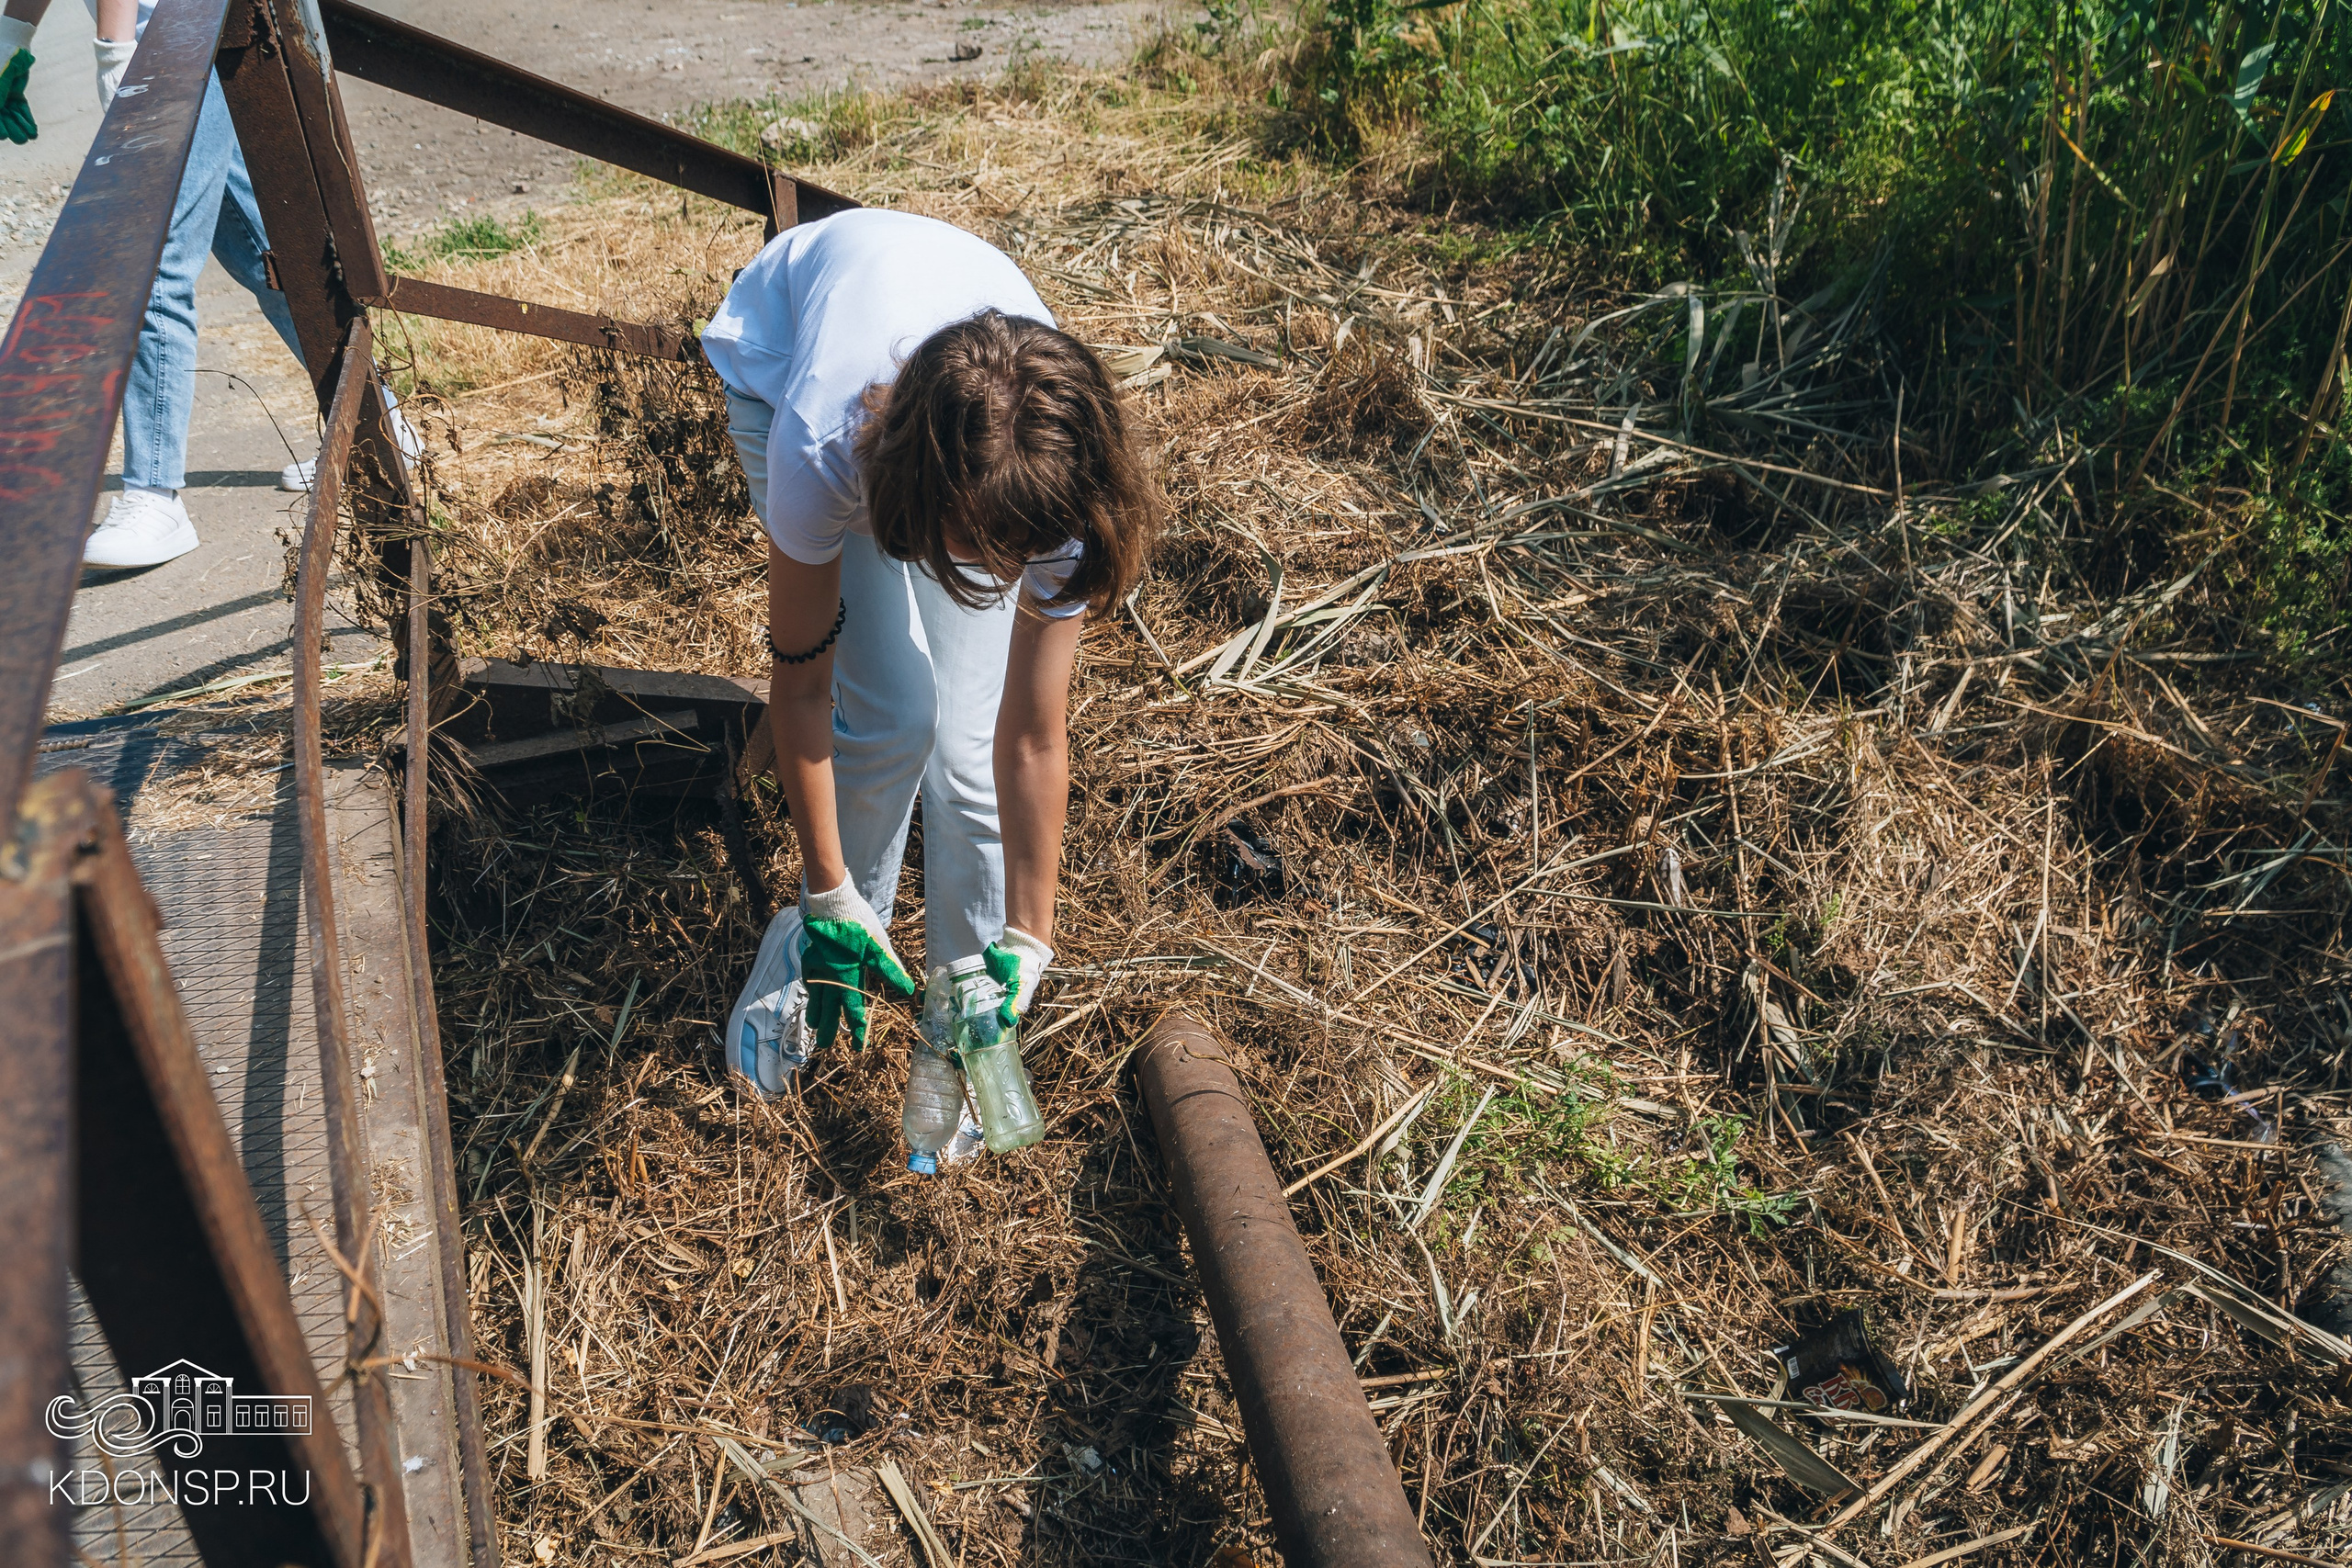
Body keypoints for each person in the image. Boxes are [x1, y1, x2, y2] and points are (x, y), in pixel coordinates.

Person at [711, 209, 1158, 1156]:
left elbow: (1030, 736)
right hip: (777, 362)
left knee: (964, 745)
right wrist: (830, 885)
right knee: (893, 712)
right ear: (925, 502)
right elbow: (800, 688)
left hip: (958, 438)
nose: (1007, 573)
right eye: (981, 551)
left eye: (1023, 554)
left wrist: (1030, 935)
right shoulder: (822, 452)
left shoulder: (1052, 487)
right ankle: (807, 952)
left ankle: (963, 1026)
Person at [0, 0, 414, 570]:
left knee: (153, 259)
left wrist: (115, 55)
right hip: (187, 34)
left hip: (183, 38)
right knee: (260, 251)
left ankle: (155, 497)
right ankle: (380, 421)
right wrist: (10, 35)